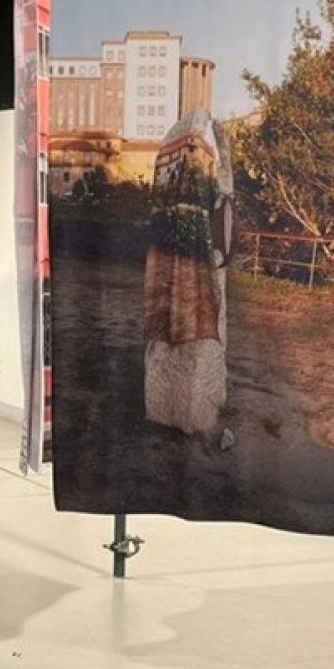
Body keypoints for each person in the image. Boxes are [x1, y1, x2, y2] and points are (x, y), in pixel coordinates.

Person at [143, 109, 233, 435]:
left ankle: (177, 410)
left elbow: (223, 207)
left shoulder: (176, 180)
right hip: (196, 265)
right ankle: (187, 413)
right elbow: (223, 209)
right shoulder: (200, 185)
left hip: (189, 264)